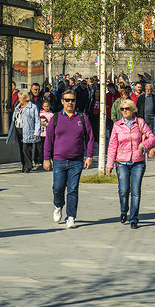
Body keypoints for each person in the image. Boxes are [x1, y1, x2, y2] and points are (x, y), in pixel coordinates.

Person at [43, 89, 94, 228]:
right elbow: (49, 139)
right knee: (58, 187)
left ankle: (71, 217)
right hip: (59, 160)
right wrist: (46, 158)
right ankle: (58, 205)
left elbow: (89, 139)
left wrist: (89, 157)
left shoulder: (82, 118)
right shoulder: (56, 118)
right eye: (67, 100)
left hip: (76, 161)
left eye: (72, 100)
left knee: (72, 189)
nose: (70, 103)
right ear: (62, 101)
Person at [106, 99, 155, 228]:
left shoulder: (139, 122)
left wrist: (142, 145)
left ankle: (133, 218)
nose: (124, 111)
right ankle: (124, 210)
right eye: (122, 109)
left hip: (137, 162)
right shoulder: (117, 125)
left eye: (127, 108)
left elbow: (152, 137)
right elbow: (112, 145)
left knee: (135, 191)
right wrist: (109, 164)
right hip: (122, 161)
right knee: (123, 190)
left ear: (133, 109)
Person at [7, 91, 41, 172]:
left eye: (20, 98)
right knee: (21, 148)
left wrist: (37, 132)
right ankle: (24, 165)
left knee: (26, 148)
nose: (19, 100)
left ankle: (29, 165)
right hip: (18, 129)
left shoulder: (33, 107)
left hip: (28, 129)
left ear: (26, 98)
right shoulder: (18, 107)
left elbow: (37, 120)